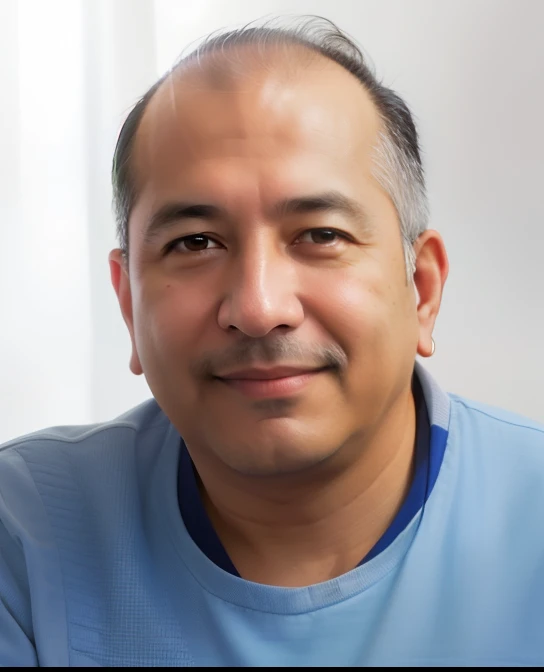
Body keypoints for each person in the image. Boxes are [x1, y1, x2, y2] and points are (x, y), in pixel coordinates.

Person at [1, 16, 543, 667]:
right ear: (128, 302)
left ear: (421, 290)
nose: (259, 308)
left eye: (320, 235)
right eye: (195, 243)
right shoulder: (27, 540)